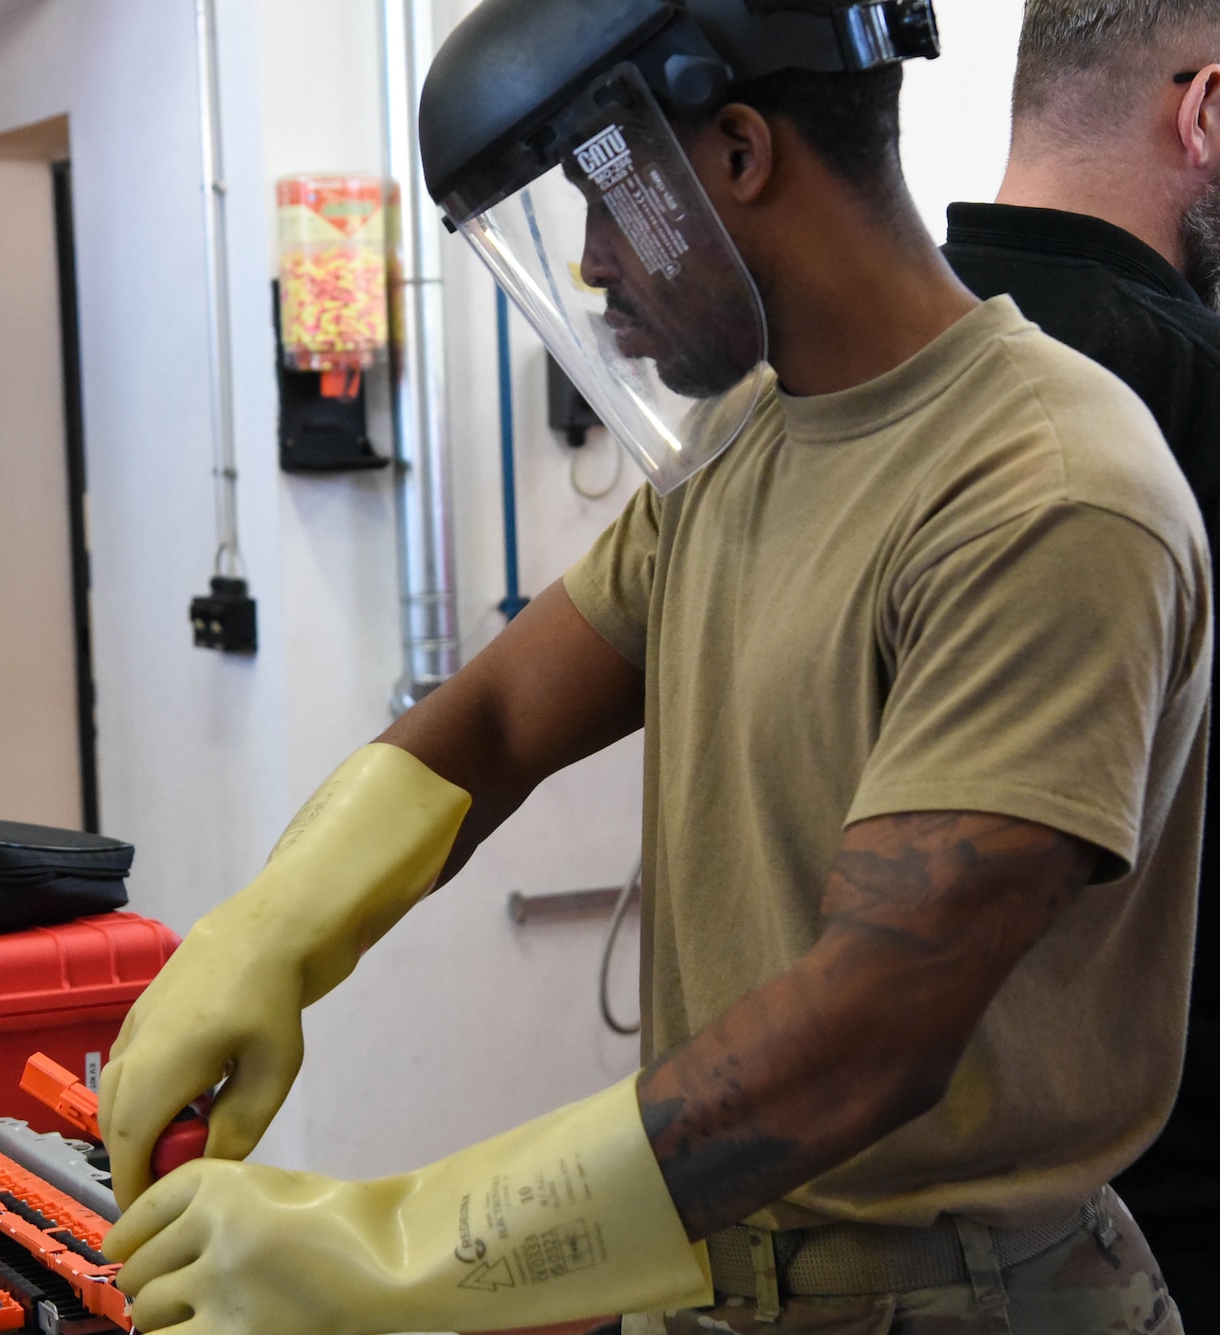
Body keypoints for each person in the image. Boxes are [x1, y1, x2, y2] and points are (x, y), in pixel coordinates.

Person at [97, 2, 1204, 1333]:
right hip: (718, 1275)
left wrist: (394, 1249)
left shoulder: (1046, 485)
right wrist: (271, 932)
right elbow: (505, 712)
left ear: (738, 153)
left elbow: (874, 1027)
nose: (594, 262)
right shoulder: (748, 436)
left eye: (604, 193)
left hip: (960, 1299)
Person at [941, 8, 1220, 1322]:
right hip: (1154, 1225)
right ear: (1207, 112)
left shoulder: (833, 384)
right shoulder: (1191, 396)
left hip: (865, 1214)